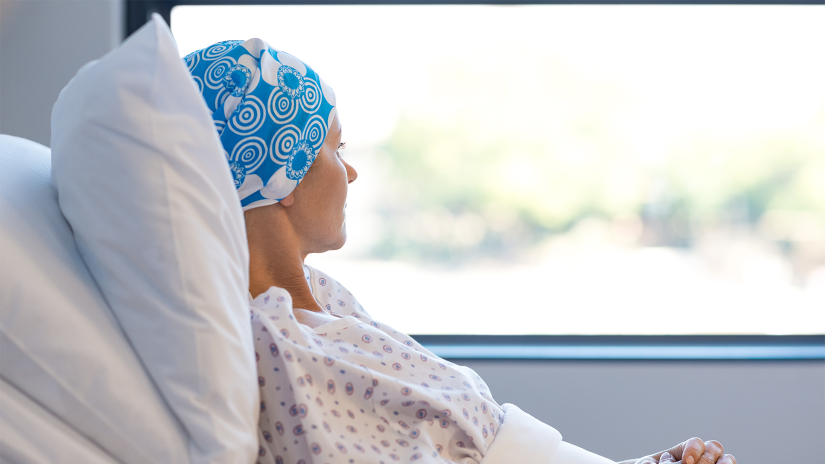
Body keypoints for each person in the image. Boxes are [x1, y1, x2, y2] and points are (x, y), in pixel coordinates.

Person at [184, 39, 737, 464]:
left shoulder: (324, 299)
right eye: (334, 147)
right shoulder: (276, 346)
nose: (351, 171)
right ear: (283, 170)